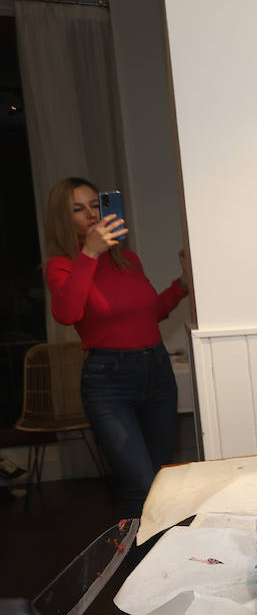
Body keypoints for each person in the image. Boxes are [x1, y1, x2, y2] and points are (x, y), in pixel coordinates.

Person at [43, 177, 190, 519]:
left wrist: (183, 283)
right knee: (140, 487)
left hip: (157, 373)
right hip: (109, 382)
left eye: (96, 204)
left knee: (159, 486)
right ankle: (131, 567)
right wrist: (90, 253)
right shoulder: (62, 265)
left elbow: (150, 314)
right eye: (78, 209)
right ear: (63, 219)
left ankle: (159, 562)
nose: (91, 215)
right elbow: (67, 314)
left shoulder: (127, 260)